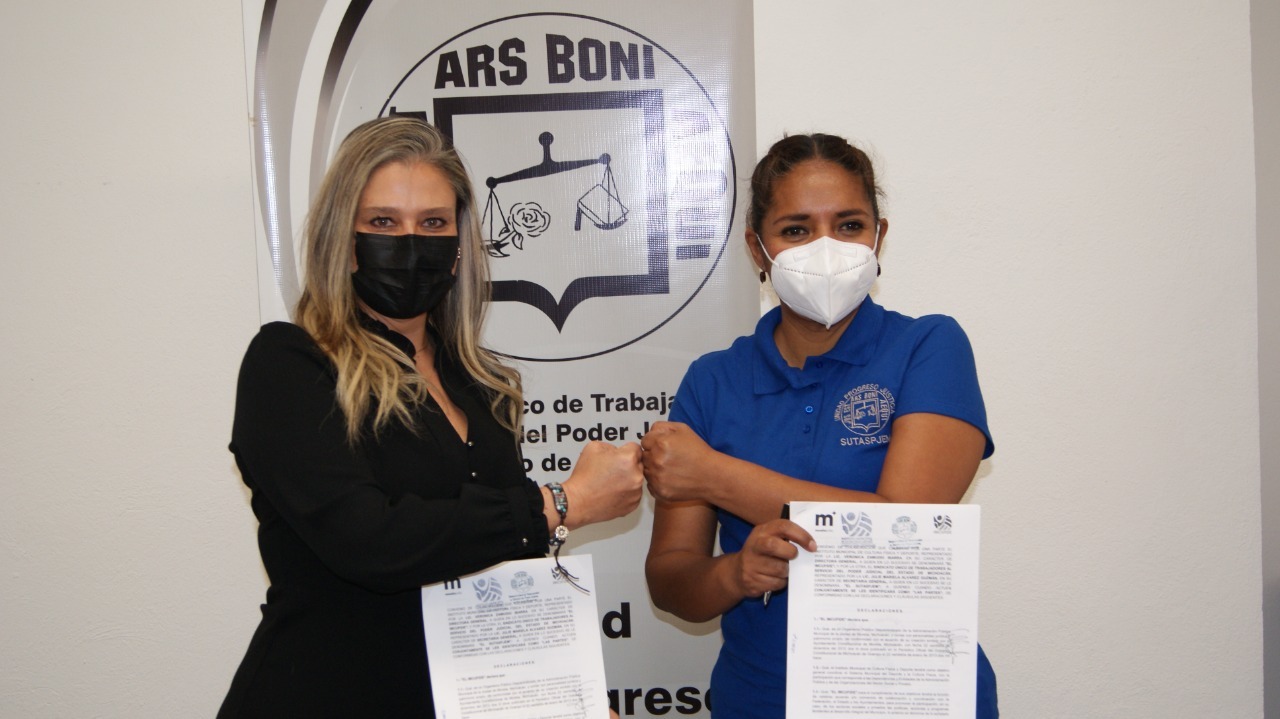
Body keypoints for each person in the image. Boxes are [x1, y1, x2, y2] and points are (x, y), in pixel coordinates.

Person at [219, 116, 642, 718]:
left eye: (434, 223)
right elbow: (369, 542)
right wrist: (559, 503)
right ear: (343, 236)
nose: (411, 243)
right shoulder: (290, 364)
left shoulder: (482, 385)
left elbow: (499, 573)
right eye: (383, 222)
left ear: (460, 243)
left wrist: (563, 694)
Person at [642, 133, 998, 718]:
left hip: (917, 694)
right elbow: (671, 580)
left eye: (849, 225)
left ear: (879, 236)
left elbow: (905, 531)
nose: (826, 248)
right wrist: (735, 573)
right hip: (761, 699)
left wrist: (713, 475)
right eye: (797, 229)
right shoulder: (713, 380)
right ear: (758, 249)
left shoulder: (928, 346)